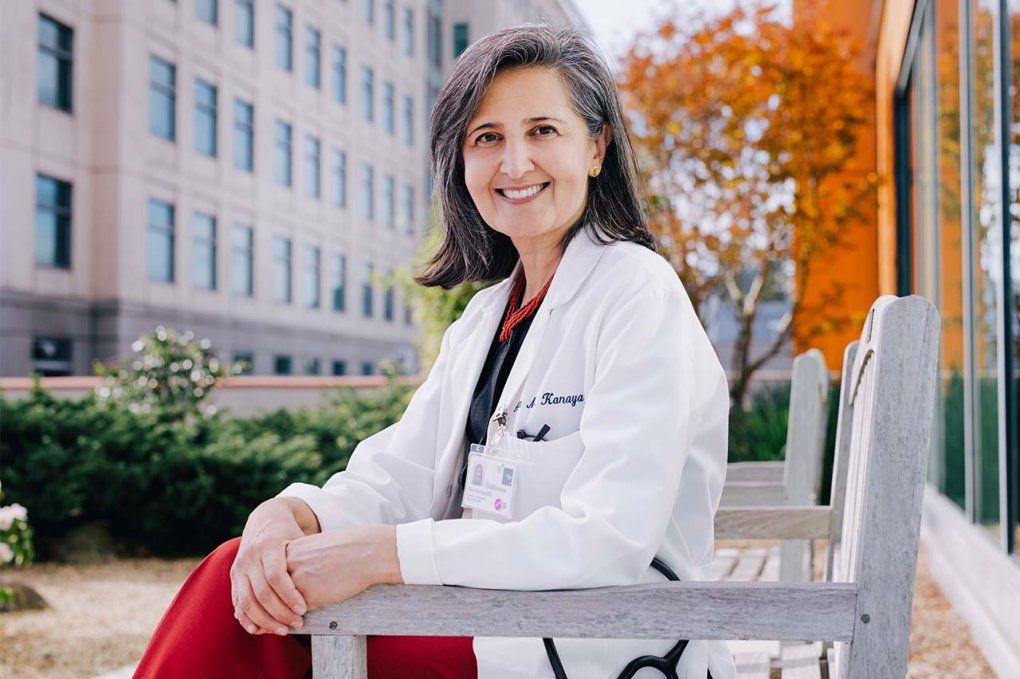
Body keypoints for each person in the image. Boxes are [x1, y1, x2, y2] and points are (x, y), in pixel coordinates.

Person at [135, 24, 736, 679]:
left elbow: (609, 538)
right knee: (240, 572)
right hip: (490, 616)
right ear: (461, 162)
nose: (515, 164)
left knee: (270, 621)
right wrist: (287, 514)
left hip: (595, 639)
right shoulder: (484, 319)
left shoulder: (637, 292)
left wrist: (382, 555)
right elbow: (396, 475)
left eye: (542, 130)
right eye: (487, 138)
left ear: (596, 147)